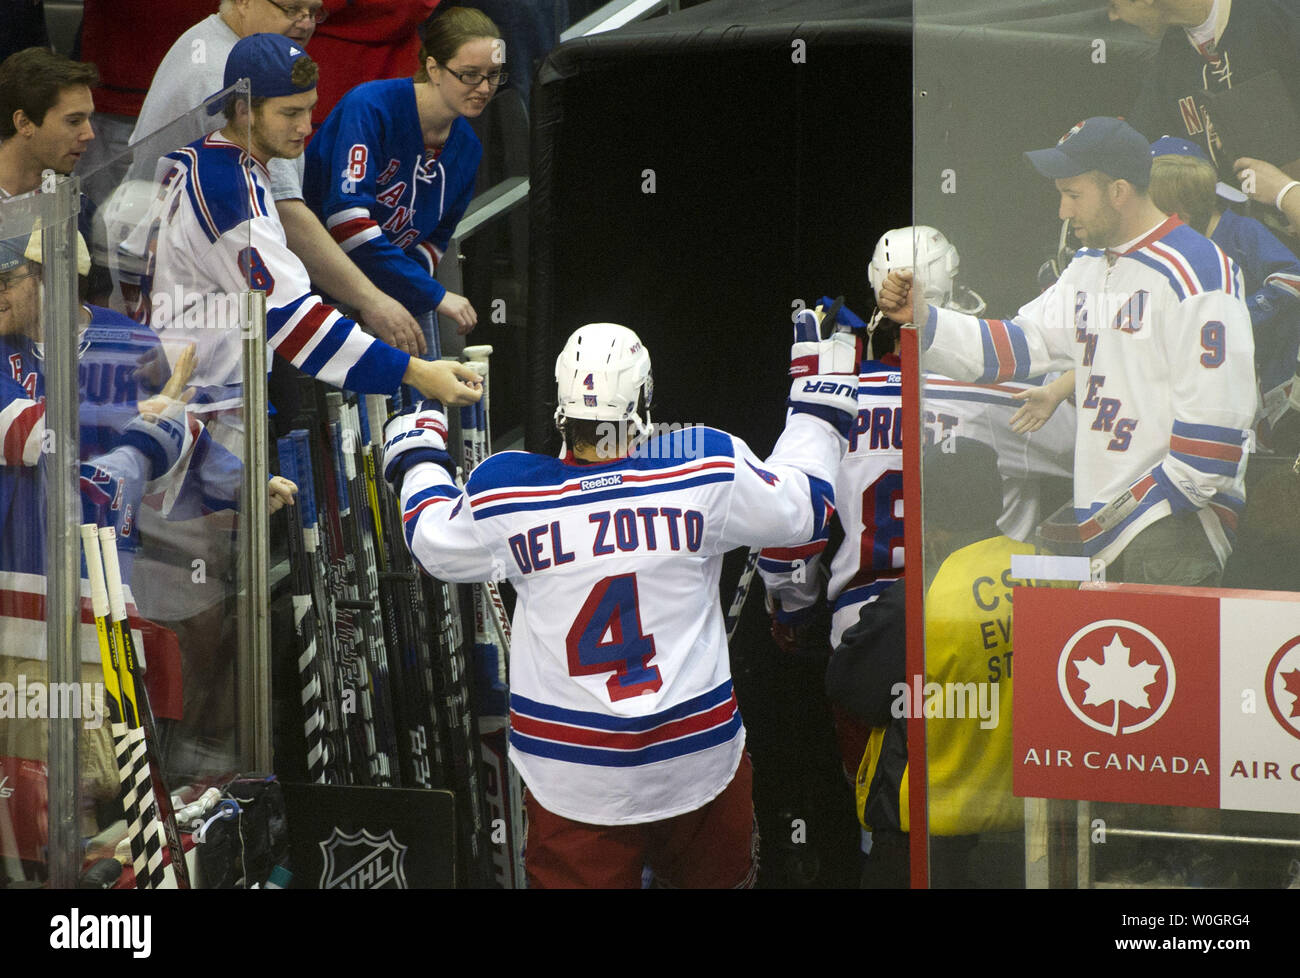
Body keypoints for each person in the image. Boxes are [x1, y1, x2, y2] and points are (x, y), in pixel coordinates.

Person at [382, 320, 859, 888]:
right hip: (695, 760)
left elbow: (433, 541)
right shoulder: (704, 464)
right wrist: (816, 408)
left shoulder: (505, 490)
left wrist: (417, 454)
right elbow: (803, 507)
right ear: (644, 398)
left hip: (573, 776)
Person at [877, 117, 1256, 586]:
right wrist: (925, 318)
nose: (1062, 210)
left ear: (1119, 190)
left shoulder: (1197, 268)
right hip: (1104, 523)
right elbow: (1021, 345)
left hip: (1170, 528)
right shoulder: (1088, 267)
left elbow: (1221, 413)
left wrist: (1166, 500)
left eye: (1074, 195)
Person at [142, 34, 482, 416]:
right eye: (290, 113)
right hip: (197, 403)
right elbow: (294, 318)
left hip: (193, 393)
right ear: (244, 110)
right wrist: (416, 372)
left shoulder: (198, 159)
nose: (305, 127)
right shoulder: (230, 190)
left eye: (310, 110)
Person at [130, 0, 430, 355]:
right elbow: (290, 218)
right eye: (291, 9)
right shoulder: (226, 76)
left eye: (313, 11)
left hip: (178, 287)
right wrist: (373, 301)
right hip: (184, 313)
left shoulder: (206, 39)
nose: (305, 23)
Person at [833, 438, 1037, 889]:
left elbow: (853, 690)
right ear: (995, 500)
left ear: (929, 517)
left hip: (926, 836)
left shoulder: (920, 599)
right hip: (1022, 829)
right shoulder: (1040, 566)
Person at [303, 6, 497, 357]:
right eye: (470, 75)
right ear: (434, 68)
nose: (484, 88)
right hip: (313, 291)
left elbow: (434, 243)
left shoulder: (468, 148)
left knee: (425, 400)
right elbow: (347, 222)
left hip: (391, 297)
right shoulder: (370, 106)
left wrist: (403, 291)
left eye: (493, 75)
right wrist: (433, 294)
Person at [1108, 0, 1300, 177]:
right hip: (1231, 210)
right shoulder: (1170, 56)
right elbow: (1140, 143)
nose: (1112, 17)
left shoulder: (1278, 13)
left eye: (1113, 6)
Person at [0, 48, 98, 198]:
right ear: (24, 123)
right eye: (74, 121)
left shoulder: (74, 203)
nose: (89, 134)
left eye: (89, 118)